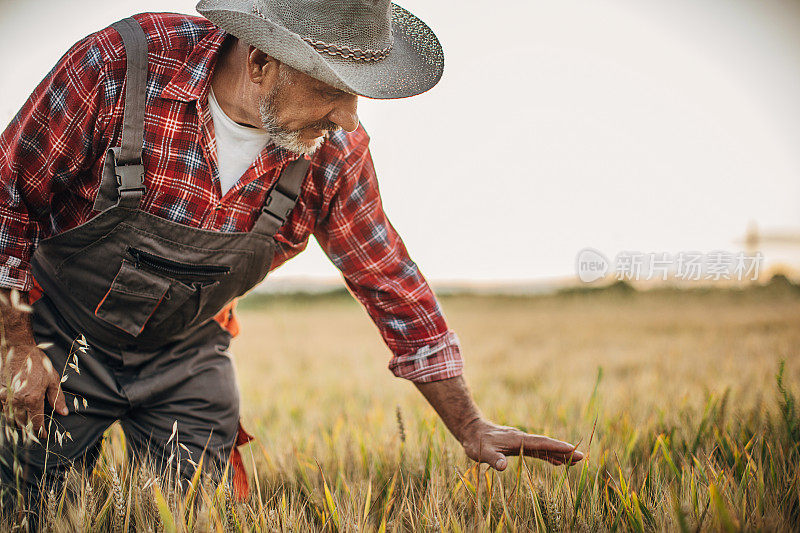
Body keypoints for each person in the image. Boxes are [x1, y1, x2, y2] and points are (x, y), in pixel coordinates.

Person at [0, 0, 583, 505]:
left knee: (199, 514)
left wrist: (469, 423)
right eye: (332, 91)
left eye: (356, 95)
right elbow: (6, 197)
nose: (349, 118)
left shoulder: (331, 150)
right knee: (34, 503)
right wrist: (12, 343)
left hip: (186, 352)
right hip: (54, 330)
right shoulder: (118, 70)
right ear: (260, 62)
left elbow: (388, 279)